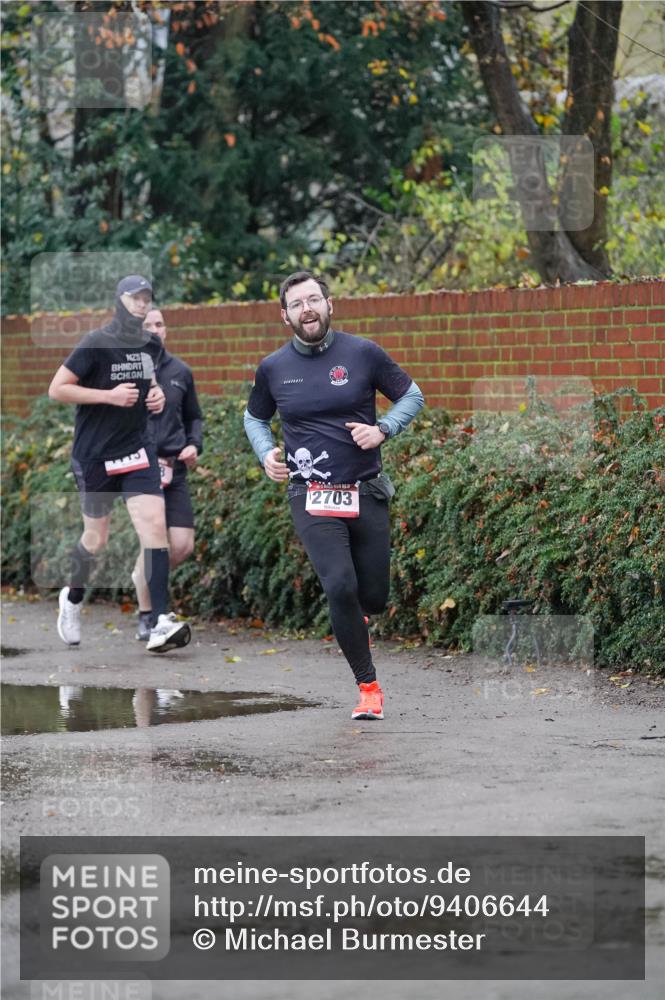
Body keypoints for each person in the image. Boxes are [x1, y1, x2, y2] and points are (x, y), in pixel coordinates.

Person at [244, 270, 424, 720]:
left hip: (365, 490)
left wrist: (383, 429)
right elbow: (254, 419)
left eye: (314, 300)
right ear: (284, 316)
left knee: (374, 598)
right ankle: (368, 688)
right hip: (311, 494)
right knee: (339, 586)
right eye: (297, 304)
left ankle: (356, 621)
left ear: (330, 305)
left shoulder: (362, 354)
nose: (307, 310)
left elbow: (412, 396)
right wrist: (266, 453)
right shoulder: (273, 368)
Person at [48, 275, 191, 653]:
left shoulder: (149, 344)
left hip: (136, 451)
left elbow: (151, 381)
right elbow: (57, 388)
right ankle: (73, 598)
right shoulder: (96, 343)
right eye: (136, 298)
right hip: (94, 455)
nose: (142, 304)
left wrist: (156, 394)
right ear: (119, 300)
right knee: (96, 539)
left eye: (147, 299)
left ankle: (159, 620)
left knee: (154, 528)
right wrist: (108, 396)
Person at [131, 307, 203, 640]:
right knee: (156, 539)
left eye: (159, 324)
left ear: (166, 330)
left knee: (182, 545)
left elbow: (194, 417)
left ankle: (141, 576)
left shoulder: (181, 371)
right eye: (147, 325)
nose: (154, 330)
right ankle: (149, 617)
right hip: (139, 469)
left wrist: (194, 445)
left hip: (174, 469)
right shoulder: (125, 373)